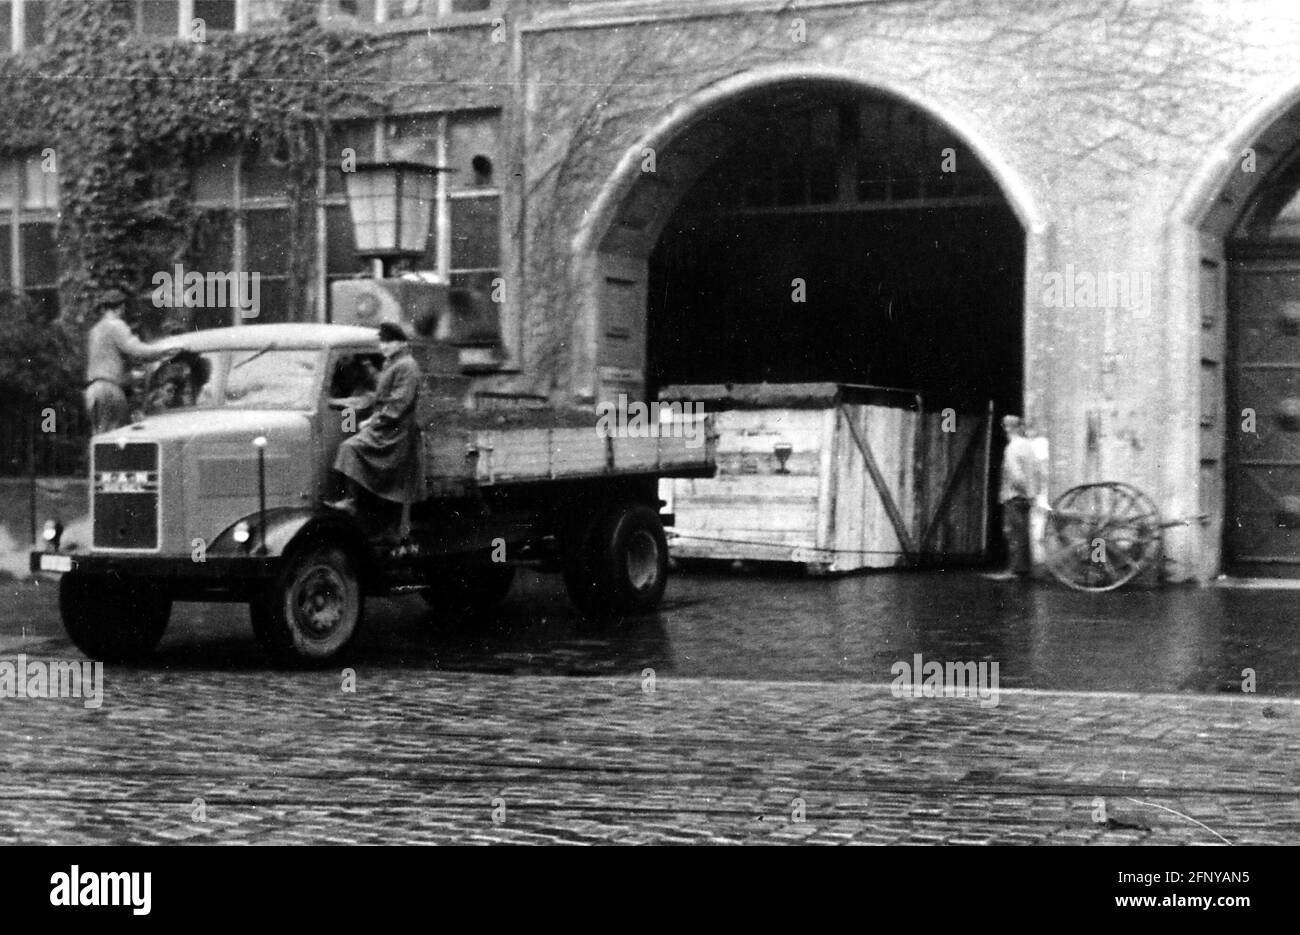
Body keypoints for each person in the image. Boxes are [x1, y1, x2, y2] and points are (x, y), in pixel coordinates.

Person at [325, 322, 426, 517]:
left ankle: (352, 501)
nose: (384, 346)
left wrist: (372, 421)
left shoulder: (407, 366)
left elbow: (398, 404)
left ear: (401, 344)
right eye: (382, 342)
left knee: (350, 448)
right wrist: (367, 366)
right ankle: (356, 500)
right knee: (352, 447)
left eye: (389, 342)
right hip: (386, 428)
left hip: (395, 432)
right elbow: (382, 388)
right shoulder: (393, 363)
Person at [84, 290, 177, 434]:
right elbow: (136, 350)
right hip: (110, 389)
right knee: (115, 439)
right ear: (121, 307)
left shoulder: (95, 330)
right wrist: (164, 351)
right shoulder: (116, 325)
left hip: (92, 391)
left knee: (99, 438)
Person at [984, 414, 1042, 581]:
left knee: (1013, 533)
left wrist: (1023, 491)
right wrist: (1032, 493)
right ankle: (1023, 569)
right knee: (1022, 533)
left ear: (1007, 428)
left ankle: (1014, 570)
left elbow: (1016, 475)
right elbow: (1036, 472)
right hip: (1026, 497)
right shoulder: (1028, 446)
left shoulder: (1012, 448)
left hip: (1014, 496)